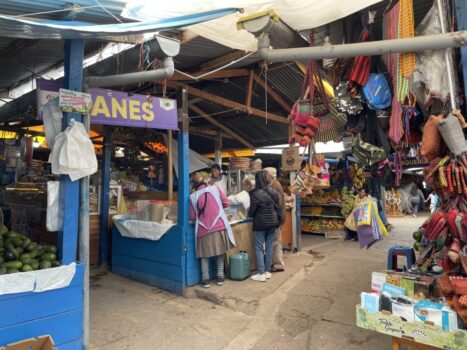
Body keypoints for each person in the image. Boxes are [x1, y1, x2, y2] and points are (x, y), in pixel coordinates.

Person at [189, 172, 235, 288]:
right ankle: (220, 277)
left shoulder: (192, 197)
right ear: (205, 181)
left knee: (204, 255)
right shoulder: (215, 189)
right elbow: (226, 203)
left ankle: (205, 280)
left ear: (194, 185)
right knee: (220, 252)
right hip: (219, 225)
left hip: (203, 229)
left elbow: (193, 217)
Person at [248, 171, 282, 282]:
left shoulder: (255, 193)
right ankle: (267, 271)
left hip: (260, 223)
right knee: (268, 247)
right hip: (272, 223)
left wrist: (250, 215)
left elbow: (252, 211)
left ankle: (261, 273)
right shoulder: (272, 190)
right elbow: (278, 207)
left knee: (258, 248)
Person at [264, 167, 286, 272]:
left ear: (270, 175)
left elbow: (278, 202)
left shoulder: (275, 185)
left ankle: (278, 265)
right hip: (276, 216)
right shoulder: (273, 184)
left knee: (276, 241)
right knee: (275, 240)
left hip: (276, 217)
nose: (265, 177)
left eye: (266, 174)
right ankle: (275, 263)